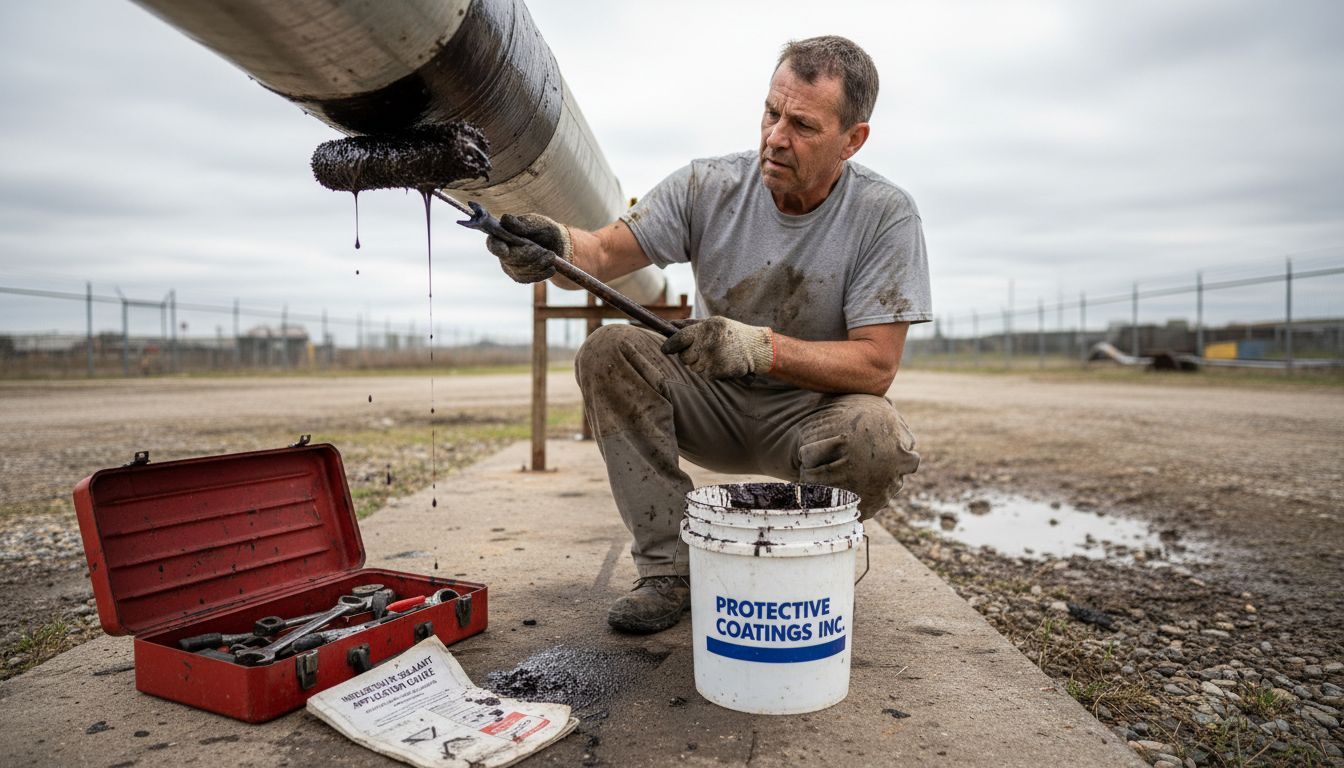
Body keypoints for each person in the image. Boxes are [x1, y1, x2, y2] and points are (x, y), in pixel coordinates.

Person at [487, 35, 930, 635]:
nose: (776, 137)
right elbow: (604, 252)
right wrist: (556, 247)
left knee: (876, 437)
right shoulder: (708, 185)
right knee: (609, 350)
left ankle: (802, 568)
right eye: (771, 113)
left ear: (853, 140)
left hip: (810, 418)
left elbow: (877, 365)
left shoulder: (884, 214)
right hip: (711, 402)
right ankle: (670, 569)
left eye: (802, 125)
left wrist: (758, 348)